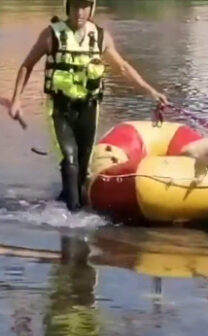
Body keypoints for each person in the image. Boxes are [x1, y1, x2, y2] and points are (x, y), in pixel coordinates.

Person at [9, 0, 168, 212]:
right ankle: (74, 218)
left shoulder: (101, 37)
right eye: (75, 7)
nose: (79, 12)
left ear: (91, 8)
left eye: (84, 7)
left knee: (83, 168)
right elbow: (27, 65)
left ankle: (67, 202)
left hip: (89, 108)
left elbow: (123, 68)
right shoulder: (51, 35)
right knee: (70, 159)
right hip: (59, 109)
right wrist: (17, 100)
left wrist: (151, 91)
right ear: (68, 8)